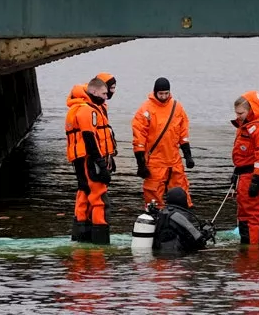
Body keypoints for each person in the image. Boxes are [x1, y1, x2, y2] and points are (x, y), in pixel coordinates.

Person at [65, 77, 117, 244]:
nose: (106, 97)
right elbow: (90, 138)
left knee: (84, 194)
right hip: (89, 159)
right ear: (93, 92)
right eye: (103, 93)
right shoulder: (88, 110)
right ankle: (100, 238)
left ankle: (81, 234)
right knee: (99, 198)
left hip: (80, 159)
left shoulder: (77, 107)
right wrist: (101, 164)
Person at [132, 77, 196, 208]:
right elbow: (139, 138)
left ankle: (184, 218)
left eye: (166, 93)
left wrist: (188, 156)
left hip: (174, 160)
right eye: (161, 94)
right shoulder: (146, 109)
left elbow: (183, 134)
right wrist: (141, 164)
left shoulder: (177, 107)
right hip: (155, 161)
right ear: (155, 92)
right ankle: (155, 220)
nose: (164, 96)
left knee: (181, 192)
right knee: (153, 196)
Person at [232, 90, 259, 245]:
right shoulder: (248, 125)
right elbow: (244, 155)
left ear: (251, 110)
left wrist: (256, 180)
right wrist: (236, 173)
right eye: (236, 113)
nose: (238, 116)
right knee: (258, 214)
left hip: (253, 176)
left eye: (240, 113)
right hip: (246, 175)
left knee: (250, 216)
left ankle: (252, 251)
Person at [149, 186, 216, 255]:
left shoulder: (161, 213)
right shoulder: (178, 216)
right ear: (183, 199)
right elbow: (199, 240)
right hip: (175, 257)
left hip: (158, 254)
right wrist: (207, 232)